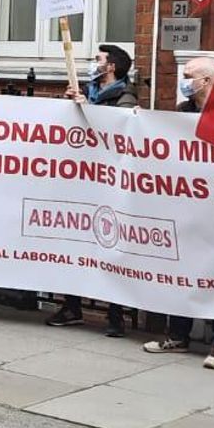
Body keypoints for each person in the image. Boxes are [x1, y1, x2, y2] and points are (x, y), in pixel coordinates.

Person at [144, 55, 214, 368]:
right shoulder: (184, 112)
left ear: (206, 81)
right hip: (188, 204)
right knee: (182, 269)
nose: (183, 80)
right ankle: (178, 334)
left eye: (188, 75)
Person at [51, 44, 137, 334]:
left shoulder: (125, 98)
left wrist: (87, 110)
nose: (93, 63)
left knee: (109, 247)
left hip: (107, 184)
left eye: (98, 59)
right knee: (74, 245)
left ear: (111, 67)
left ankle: (115, 316)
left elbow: (116, 132)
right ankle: (71, 306)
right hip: (79, 182)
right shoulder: (85, 91)